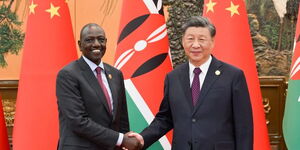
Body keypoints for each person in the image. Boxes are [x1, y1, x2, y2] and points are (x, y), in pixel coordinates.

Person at [129, 16, 253, 150]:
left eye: (201, 39)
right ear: (183, 41)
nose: (195, 45)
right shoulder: (173, 77)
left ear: (212, 42)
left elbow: (244, 127)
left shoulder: (233, 76)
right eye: (190, 39)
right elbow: (165, 118)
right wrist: (143, 137)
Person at [56, 23, 141, 150]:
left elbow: (121, 119)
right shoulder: (68, 75)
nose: (96, 44)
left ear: (106, 42)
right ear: (80, 45)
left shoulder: (116, 74)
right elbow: (78, 121)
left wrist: (125, 138)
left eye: (101, 40)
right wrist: (121, 139)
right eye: (89, 40)